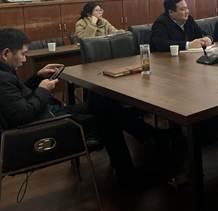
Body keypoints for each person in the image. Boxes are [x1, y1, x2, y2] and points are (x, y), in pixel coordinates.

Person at [0, 28, 135, 177]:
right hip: (41, 129)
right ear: (6, 54)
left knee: (102, 100)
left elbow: (18, 96)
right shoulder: (3, 79)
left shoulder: (5, 74)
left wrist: (37, 77)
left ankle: (143, 136)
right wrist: (43, 90)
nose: (25, 59)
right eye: (23, 54)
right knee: (106, 116)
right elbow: (23, 114)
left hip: (46, 115)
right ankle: (128, 172)